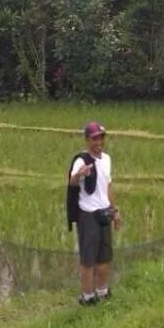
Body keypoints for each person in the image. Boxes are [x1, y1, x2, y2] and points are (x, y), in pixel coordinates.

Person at [68, 120, 121, 305]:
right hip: (88, 214)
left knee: (104, 256)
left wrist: (115, 211)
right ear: (87, 140)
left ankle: (102, 291)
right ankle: (88, 296)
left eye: (100, 138)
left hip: (104, 212)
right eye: (94, 139)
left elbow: (108, 186)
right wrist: (79, 174)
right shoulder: (81, 160)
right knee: (88, 258)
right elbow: (72, 183)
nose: (98, 142)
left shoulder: (106, 159)